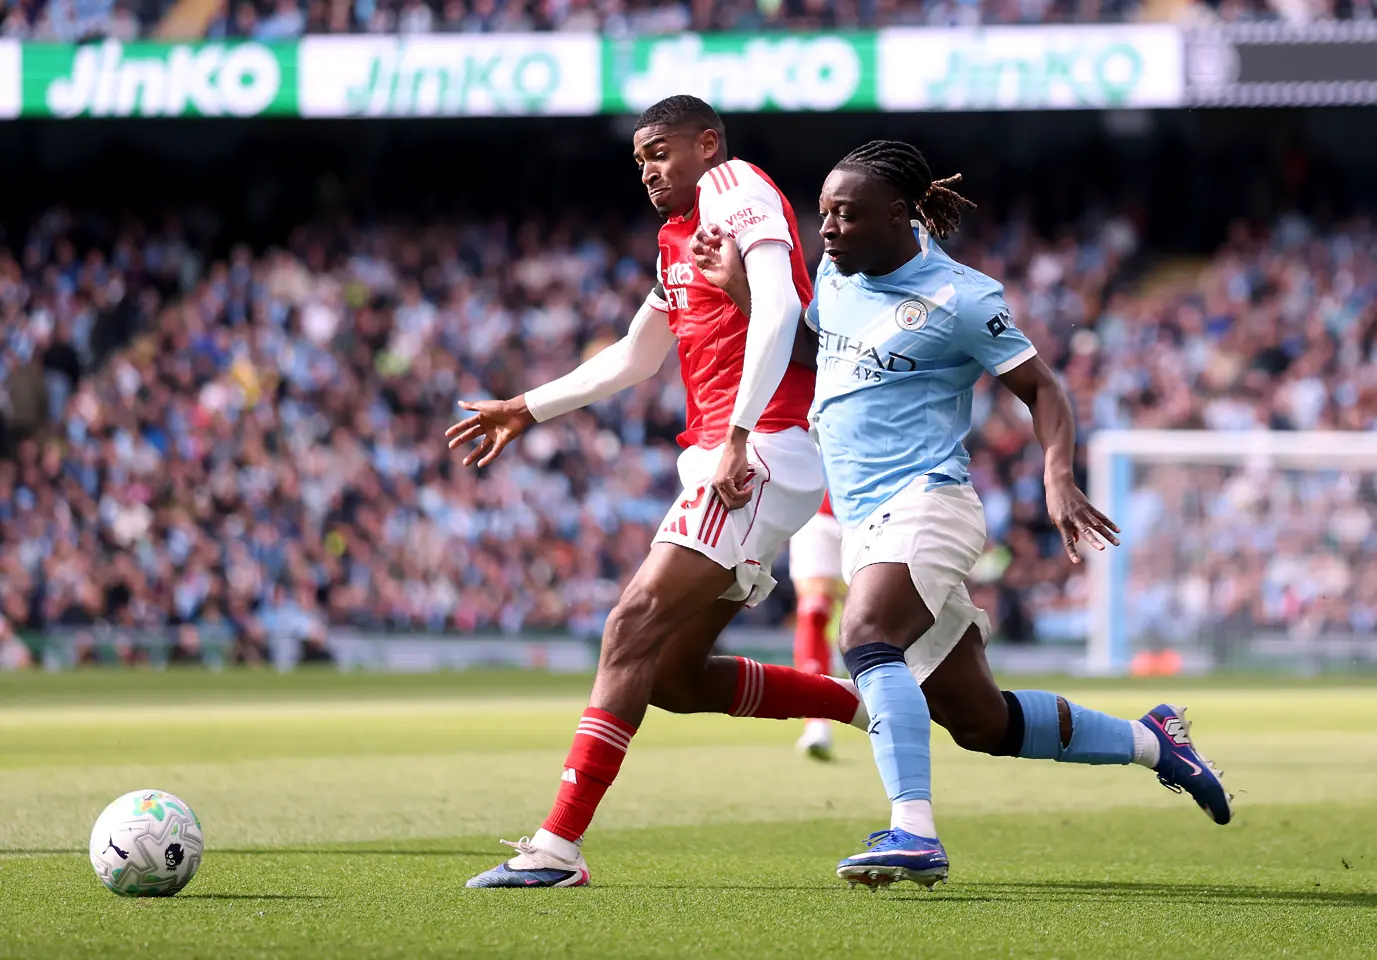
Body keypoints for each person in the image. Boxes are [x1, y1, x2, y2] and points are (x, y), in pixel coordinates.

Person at [691, 139, 1233, 890]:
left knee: (865, 633)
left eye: (845, 215)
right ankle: (1154, 741)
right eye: (823, 213)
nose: (828, 230)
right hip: (864, 524)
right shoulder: (838, 274)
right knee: (981, 722)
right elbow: (818, 351)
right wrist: (740, 290)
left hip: (927, 504)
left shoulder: (962, 298)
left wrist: (1057, 476)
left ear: (897, 215)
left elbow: (1043, 389)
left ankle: (913, 833)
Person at [448, 96, 869, 889]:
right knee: (673, 676)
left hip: (758, 450)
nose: (646, 170)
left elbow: (782, 306)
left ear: (706, 143)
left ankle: (556, 847)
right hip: (732, 455)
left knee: (630, 623)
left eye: (659, 151)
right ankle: (869, 705)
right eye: (638, 159)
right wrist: (526, 407)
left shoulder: (734, 186)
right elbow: (634, 358)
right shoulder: (676, 238)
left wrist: (737, 435)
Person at [787, 494, 845, 760]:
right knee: (814, 612)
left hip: (877, 508)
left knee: (887, 617)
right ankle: (817, 720)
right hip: (817, 512)